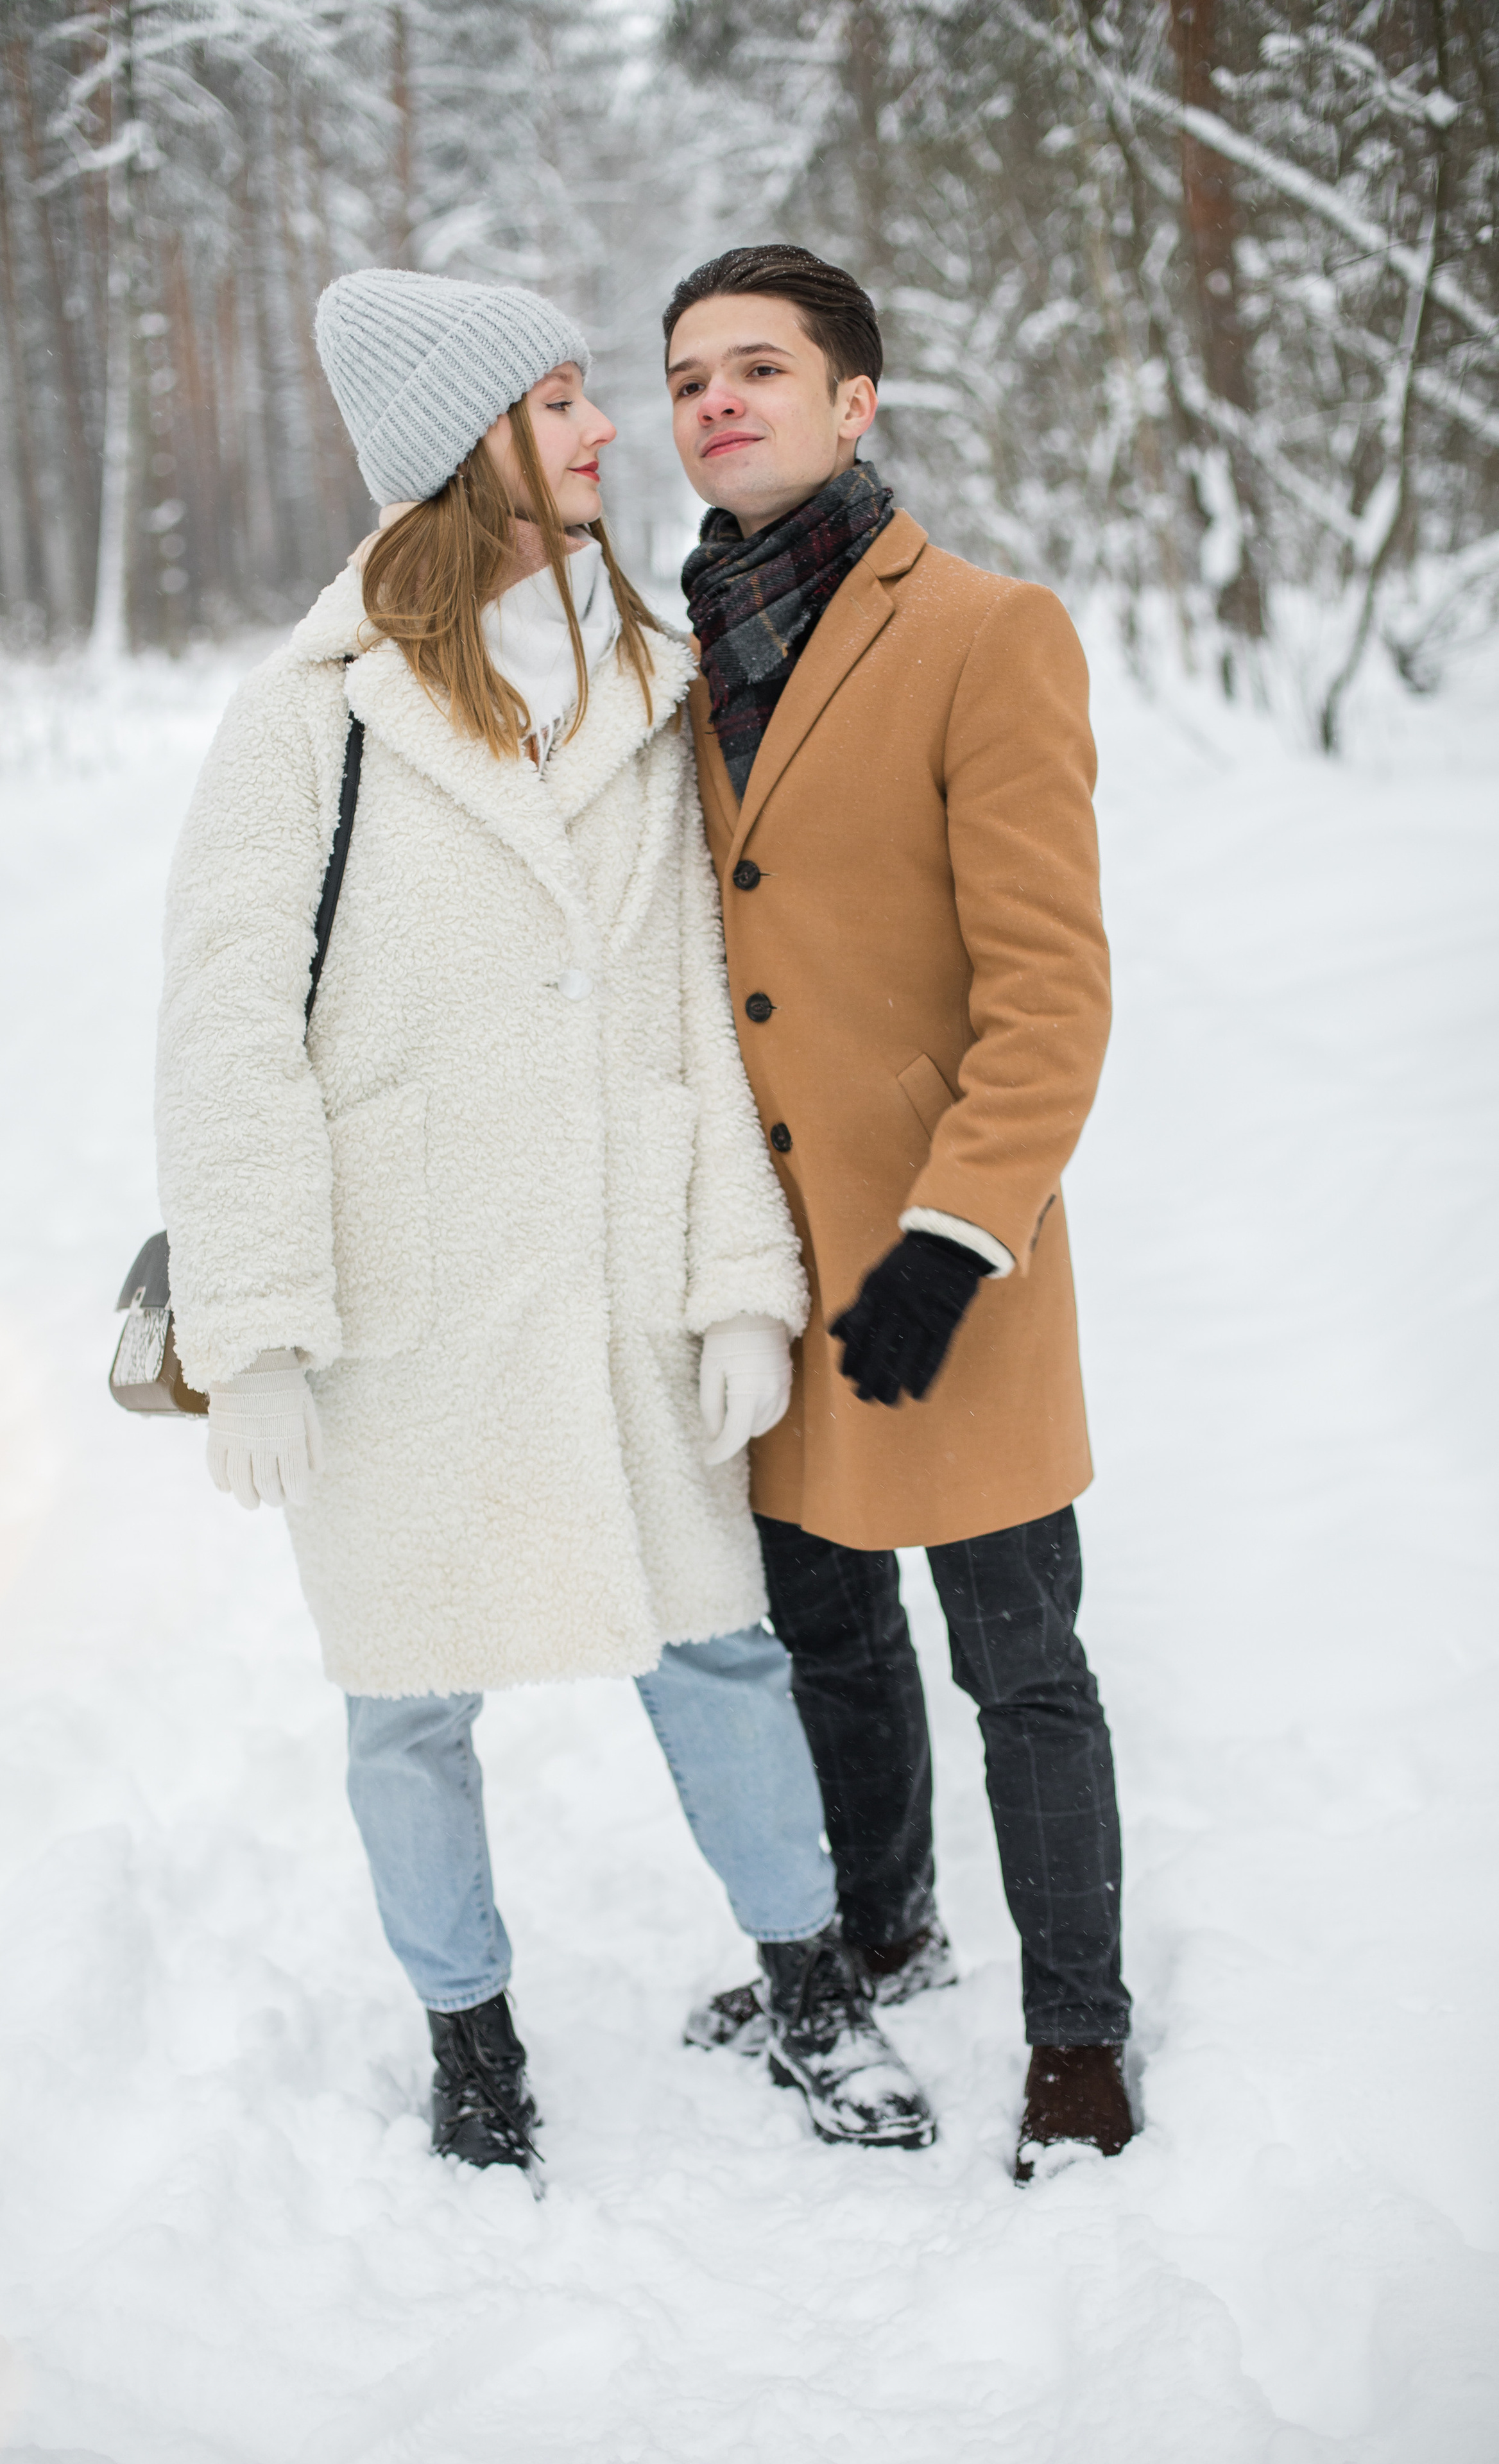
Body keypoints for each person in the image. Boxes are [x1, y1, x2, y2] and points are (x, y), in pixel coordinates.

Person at [154, 266, 935, 2178]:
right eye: (566, 398)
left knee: (722, 1651)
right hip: (399, 1297)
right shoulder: (307, 722)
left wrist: (740, 1283)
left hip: (617, 1281)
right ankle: (470, 2038)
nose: (609, 430)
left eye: (603, 395)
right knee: (407, 1705)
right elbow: (226, 1032)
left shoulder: (648, 687)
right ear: (468, 446)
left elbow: (693, 996)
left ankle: (811, 1990)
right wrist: (248, 1332)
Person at [662, 244, 1135, 2180]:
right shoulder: (670, 653)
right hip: (767, 1271)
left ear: (857, 403)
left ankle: (1079, 2034)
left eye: (758, 367)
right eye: (686, 374)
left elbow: (1052, 986)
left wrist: (958, 1239)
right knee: (824, 1636)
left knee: (1021, 1663)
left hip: (950, 1262)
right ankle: (881, 1924)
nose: (714, 401)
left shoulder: (985, 631)